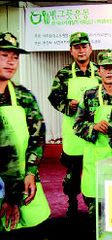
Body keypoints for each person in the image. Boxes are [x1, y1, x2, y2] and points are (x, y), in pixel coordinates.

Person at [0, 32, 50, 232]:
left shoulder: (24, 96)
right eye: (4, 55)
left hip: (23, 179)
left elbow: (37, 136)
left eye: (15, 57)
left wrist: (31, 172)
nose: (11, 62)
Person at [48, 32, 101, 218]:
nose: (81, 50)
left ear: (90, 49)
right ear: (71, 51)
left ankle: (95, 206)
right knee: (73, 173)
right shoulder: (64, 74)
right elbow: (54, 98)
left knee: (94, 170)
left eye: (84, 46)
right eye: (77, 47)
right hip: (73, 132)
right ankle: (72, 203)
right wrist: (67, 105)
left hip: (95, 133)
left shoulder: (100, 71)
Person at [73, 49, 112, 231]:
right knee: (97, 223)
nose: (109, 71)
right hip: (95, 166)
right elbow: (76, 126)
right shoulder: (89, 95)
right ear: (99, 70)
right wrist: (93, 127)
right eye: (105, 68)